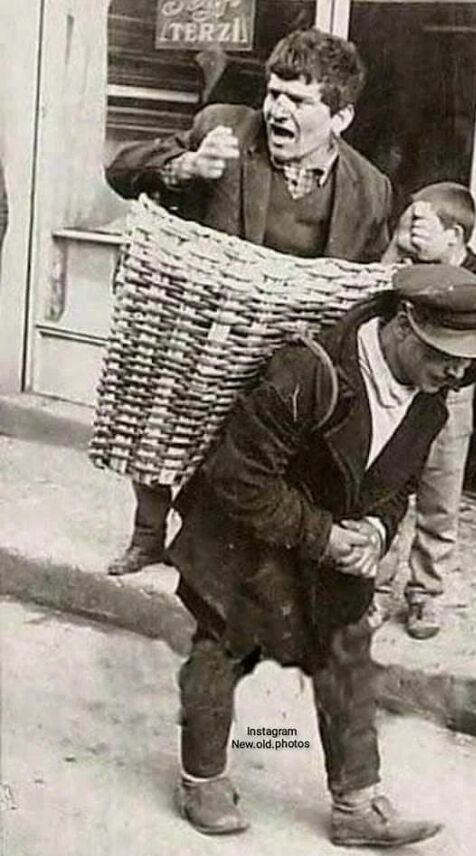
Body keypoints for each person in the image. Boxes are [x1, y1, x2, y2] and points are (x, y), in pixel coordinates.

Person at [168, 264, 476, 848]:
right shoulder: (312, 371)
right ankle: (202, 777)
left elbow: (396, 486)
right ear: (405, 324)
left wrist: (377, 530)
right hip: (242, 531)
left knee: (347, 653)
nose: (458, 371)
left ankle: (356, 804)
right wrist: (324, 537)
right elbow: (238, 476)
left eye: (467, 360)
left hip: (332, 543)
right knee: (222, 645)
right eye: (444, 353)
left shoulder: (430, 400)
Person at [104, 28, 393, 576]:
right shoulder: (223, 127)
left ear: (341, 118)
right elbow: (120, 169)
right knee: (164, 422)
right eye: (273, 92)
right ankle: (148, 534)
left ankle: (217, 545)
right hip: (208, 329)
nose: (277, 109)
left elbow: (366, 284)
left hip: (291, 347)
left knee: (250, 453)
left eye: (299, 101)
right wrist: (182, 167)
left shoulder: (371, 188)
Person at [379, 183, 476, 638]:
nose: (411, 232)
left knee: (439, 500)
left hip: (450, 399)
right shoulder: (410, 269)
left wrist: (453, 374)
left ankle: (425, 596)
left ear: (454, 234)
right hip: (402, 392)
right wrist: (396, 249)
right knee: (384, 486)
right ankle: (373, 590)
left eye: (421, 224)